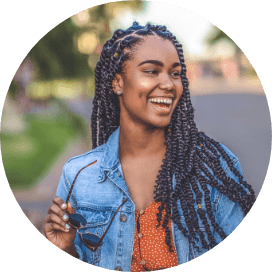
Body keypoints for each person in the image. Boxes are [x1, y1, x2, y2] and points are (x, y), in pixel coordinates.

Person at [44, 22, 256, 272]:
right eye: (152, 71)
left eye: (175, 73)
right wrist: (64, 250)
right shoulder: (79, 175)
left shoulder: (212, 167)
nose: (168, 84)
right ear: (117, 83)